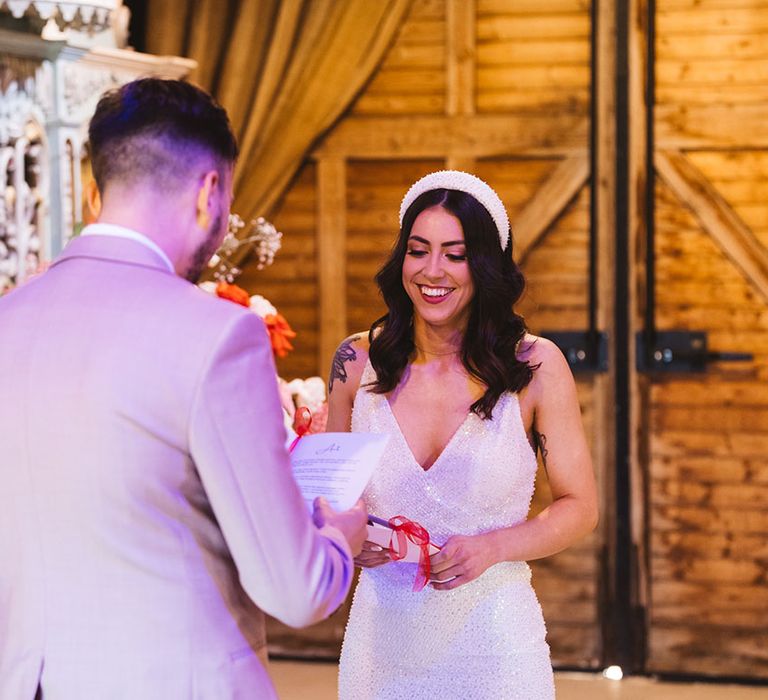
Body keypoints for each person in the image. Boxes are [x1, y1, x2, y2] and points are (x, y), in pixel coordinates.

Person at [0, 78, 366, 700]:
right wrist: (341, 537)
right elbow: (294, 588)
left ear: (96, 190)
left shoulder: (10, 318)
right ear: (209, 191)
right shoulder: (217, 335)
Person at [327, 170, 599, 699]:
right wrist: (350, 535)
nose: (433, 271)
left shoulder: (537, 365)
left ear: (486, 265)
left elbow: (580, 507)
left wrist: (494, 547)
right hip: (380, 650)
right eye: (418, 250)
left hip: (496, 648)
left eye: (455, 254)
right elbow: (328, 498)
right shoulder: (356, 360)